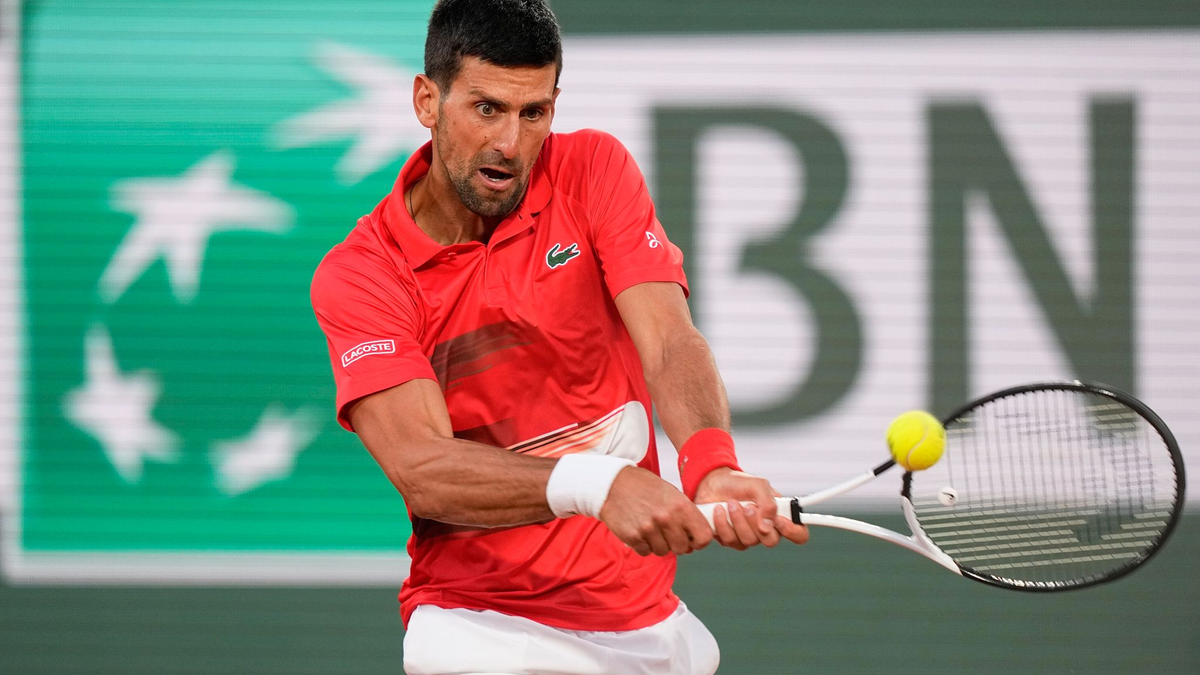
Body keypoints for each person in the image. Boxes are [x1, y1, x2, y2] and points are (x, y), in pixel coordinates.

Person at [310, 1, 808, 673]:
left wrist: (711, 461)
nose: (510, 144)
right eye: (486, 109)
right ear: (427, 101)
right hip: (479, 628)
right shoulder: (364, 275)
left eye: (533, 112)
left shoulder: (593, 170)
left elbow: (667, 338)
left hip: (647, 626)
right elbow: (422, 468)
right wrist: (598, 484)